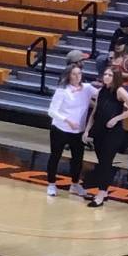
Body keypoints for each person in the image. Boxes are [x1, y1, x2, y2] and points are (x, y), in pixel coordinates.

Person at [83, 66, 128, 210]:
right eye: (105, 74)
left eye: (110, 75)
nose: (107, 76)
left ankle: (101, 195)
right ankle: (104, 190)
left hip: (113, 132)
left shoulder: (120, 90)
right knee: (102, 161)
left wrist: (117, 118)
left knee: (105, 163)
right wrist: (87, 130)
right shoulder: (101, 91)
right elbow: (95, 111)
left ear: (116, 77)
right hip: (99, 131)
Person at [46, 63, 94, 198]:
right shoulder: (62, 90)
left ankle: (75, 184)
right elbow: (51, 111)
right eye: (74, 74)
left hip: (78, 131)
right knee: (55, 156)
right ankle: (51, 184)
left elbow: (102, 94)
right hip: (60, 128)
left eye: (79, 73)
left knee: (78, 159)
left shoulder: (87, 88)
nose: (77, 76)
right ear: (68, 75)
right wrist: (67, 120)